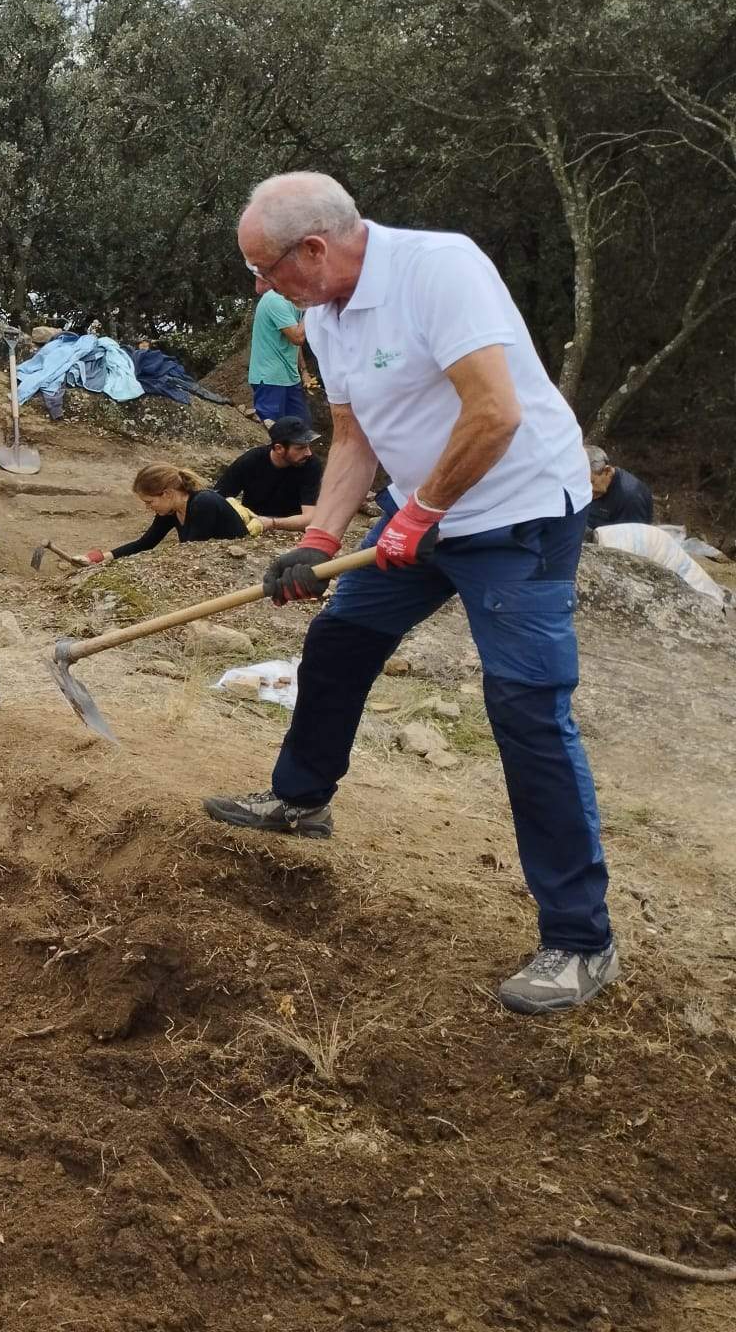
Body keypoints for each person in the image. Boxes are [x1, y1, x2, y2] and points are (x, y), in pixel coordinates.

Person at [203, 172, 612, 1015]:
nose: (261, 288)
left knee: (528, 709)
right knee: (341, 640)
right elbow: (355, 436)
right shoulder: (322, 313)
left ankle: (580, 938)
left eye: (266, 269)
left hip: (516, 516)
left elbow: (494, 413)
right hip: (420, 515)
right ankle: (301, 798)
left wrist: (421, 511)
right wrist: (320, 538)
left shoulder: (439, 269)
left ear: (313, 249)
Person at [80, 464, 255, 563]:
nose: (149, 508)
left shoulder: (204, 503)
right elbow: (146, 543)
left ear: (167, 494)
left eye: (150, 502)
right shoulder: (172, 509)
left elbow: (192, 551)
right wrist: (100, 558)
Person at [214, 415, 325, 533]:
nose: (308, 453)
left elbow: (310, 519)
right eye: (300, 448)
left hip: (290, 528)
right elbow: (217, 498)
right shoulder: (252, 460)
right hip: (251, 525)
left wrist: (271, 523)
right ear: (279, 448)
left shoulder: (311, 465)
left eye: (308, 446)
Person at [248, 286, 310, 428]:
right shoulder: (275, 300)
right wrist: (314, 310)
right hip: (270, 380)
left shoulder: (293, 301)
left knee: (302, 432)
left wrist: (304, 371)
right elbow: (297, 337)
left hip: (290, 378)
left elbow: (293, 338)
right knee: (274, 433)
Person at [584, 446, 654, 528]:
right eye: (582, 484)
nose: (587, 490)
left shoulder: (631, 498)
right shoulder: (595, 490)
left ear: (607, 472)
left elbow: (634, 536)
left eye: (591, 482)